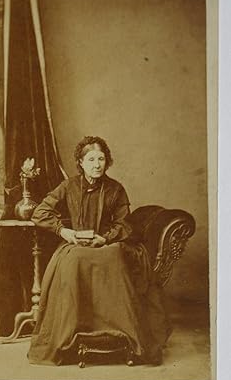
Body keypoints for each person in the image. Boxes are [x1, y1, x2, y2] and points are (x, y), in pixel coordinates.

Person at [27, 136, 164, 366]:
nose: (97, 164)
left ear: (106, 161)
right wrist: (65, 232)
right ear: (80, 162)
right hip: (77, 244)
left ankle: (120, 334)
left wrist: (105, 238)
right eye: (91, 159)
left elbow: (124, 224)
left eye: (101, 158)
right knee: (73, 261)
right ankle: (73, 336)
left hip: (108, 244)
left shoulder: (116, 189)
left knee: (114, 256)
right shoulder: (68, 186)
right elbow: (40, 212)